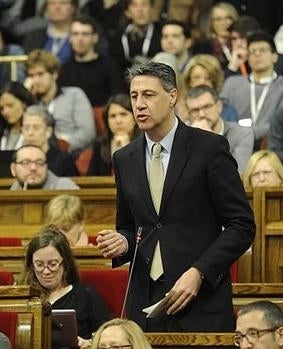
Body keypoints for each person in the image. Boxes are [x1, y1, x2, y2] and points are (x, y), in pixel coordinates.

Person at [96, 61, 255, 332]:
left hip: (200, 298)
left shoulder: (209, 148)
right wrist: (122, 241)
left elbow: (242, 226)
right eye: (134, 96)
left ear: (172, 97)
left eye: (148, 95)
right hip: (144, 302)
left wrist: (199, 271)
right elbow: (131, 227)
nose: (139, 104)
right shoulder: (124, 158)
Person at [21, 226, 111, 346]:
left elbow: (107, 334)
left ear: (65, 263)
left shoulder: (86, 295)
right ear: (31, 265)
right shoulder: (24, 298)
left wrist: (89, 343)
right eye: (39, 264)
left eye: (53, 264)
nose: (46, 271)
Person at [220, 30, 283, 147]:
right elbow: (221, 116)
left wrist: (249, 132)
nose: (257, 54)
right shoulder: (232, 83)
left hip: (270, 145)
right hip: (233, 145)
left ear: (275, 56)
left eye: (263, 50)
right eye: (252, 52)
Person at [25, 49, 95, 154]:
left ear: (54, 74)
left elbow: (88, 132)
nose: (35, 81)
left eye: (40, 74)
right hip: (39, 155)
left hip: (71, 154)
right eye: (31, 76)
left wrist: (63, 147)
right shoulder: (32, 104)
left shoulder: (74, 94)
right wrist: (27, 96)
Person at [58, 15, 125, 107]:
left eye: (85, 34)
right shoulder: (64, 69)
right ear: (70, 38)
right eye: (75, 34)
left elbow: (119, 100)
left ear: (95, 37)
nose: (80, 39)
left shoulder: (110, 66)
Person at [185, 85, 253, 172]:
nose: (202, 114)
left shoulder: (242, 134)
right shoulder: (183, 138)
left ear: (219, 106)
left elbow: (238, 175)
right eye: (195, 110)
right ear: (189, 115)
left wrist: (209, 140)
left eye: (206, 107)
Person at [87, 94, 140, 176]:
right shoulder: (100, 144)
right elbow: (91, 180)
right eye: (112, 116)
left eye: (123, 114)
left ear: (135, 118)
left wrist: (126, 149)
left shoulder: (145, 143)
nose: (118, 121)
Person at [21, 106, 79, 177]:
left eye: (36, 128)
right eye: (26, 128)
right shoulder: (17, 160)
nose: (30, 133)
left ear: (48, 132)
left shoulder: (64, 161)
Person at [108, 0, 162, 72]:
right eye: (134, 5)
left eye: (144, 4)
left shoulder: (163, 33)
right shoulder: (118, 37)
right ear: (127, 13)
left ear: (151, 9)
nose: (140, 9)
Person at [183, 54, 239, 123]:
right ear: (189, 81)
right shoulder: (181, 111)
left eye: (208, 78)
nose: (202, 82)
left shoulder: (228, 112)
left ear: (215, 82)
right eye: (196, 77)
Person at [0, 81, 35, 149]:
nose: (5, 112)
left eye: (10, 105)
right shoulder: (0, 132)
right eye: (1, 108)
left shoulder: (35, 131)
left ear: (24, 104)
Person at [9, 144, 79, 190]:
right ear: (13, 169)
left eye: (40, 163)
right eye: (26, 163)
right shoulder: (16, 187)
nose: (33, 168)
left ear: (46, 167)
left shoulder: (65, 187)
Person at [197, 2, 238, 68]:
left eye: (228, 18)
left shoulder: (241, 44)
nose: (223, 23)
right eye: (218, 19)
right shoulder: (203, 48)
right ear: (211, 23)